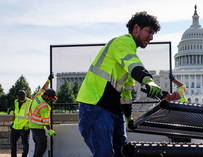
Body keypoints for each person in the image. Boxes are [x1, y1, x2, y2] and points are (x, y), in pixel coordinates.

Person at [76, 11, 164, 157]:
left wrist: (128, 117)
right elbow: (133, 64)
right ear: (136, 28)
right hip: (95, 106)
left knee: (122, 152)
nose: (151, 37)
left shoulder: (126, 52)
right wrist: (148, 80)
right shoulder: (122, 42)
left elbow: (126, 92)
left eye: (153, 33)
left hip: (112, 111)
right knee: (104, 153)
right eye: (149, 31)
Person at [29, 74, 57, 157]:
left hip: (32, 126)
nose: (52, 100)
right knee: (42, 146)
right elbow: (45, 121)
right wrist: (50, 130)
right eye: (51, 98)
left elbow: (44, 87)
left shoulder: (39, 95)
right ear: (47, 97)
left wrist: (48, 80)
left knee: (38, 146)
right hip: (38, 129)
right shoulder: (44, 106)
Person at [10, 90, 32, 157]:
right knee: (13, 142)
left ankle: (24, 156)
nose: (22, 100)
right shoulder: (15, 101)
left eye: (23, 99)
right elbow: (15, 113)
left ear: (25, 96)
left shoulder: (30, 102)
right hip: (16, 126)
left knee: (25, 143)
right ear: (17, 97)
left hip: (25, 126)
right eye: (20, 99)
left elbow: (32, 115)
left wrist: (28, 125)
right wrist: (12, 122)